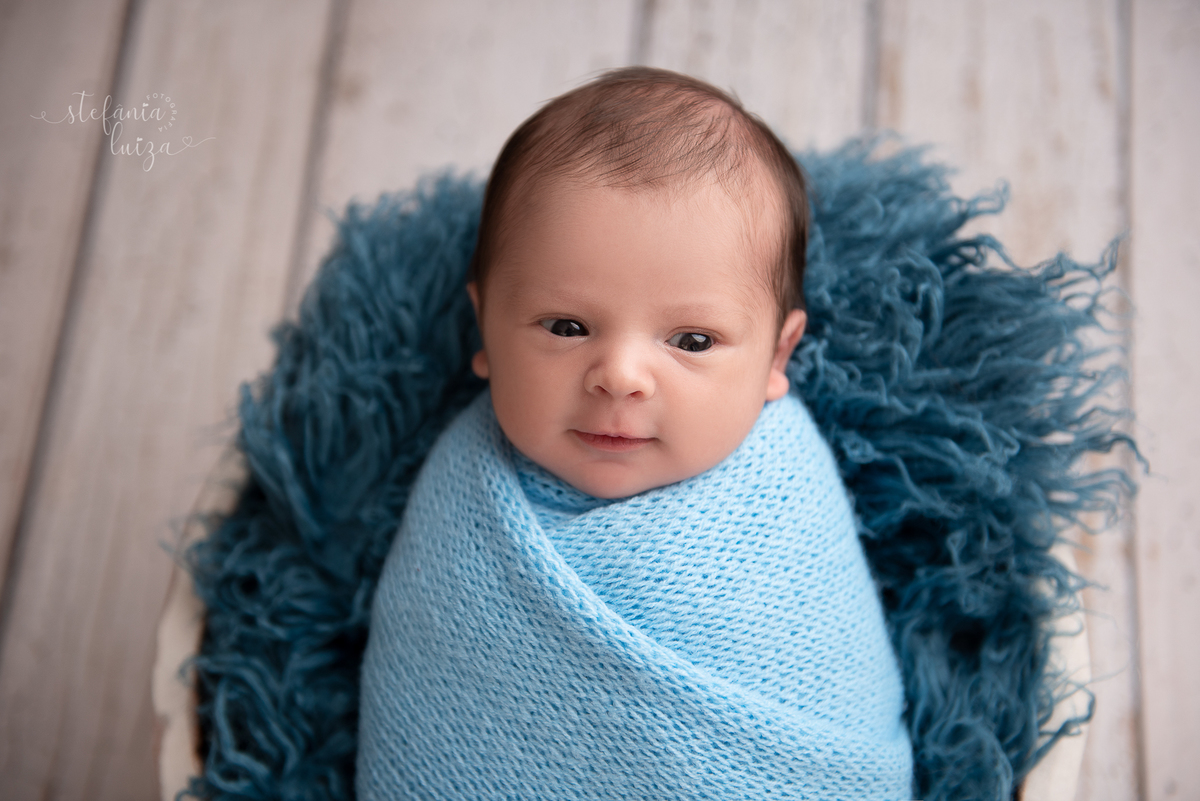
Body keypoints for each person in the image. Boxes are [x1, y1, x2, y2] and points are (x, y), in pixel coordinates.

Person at [357, 67, 914, 800]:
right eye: (566, 326)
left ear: (778, 356)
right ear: (484, 326)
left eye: (692, 340)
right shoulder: (464, 490)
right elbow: (426, 691)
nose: (620, 376)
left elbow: (835, 715)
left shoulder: (786, 495)